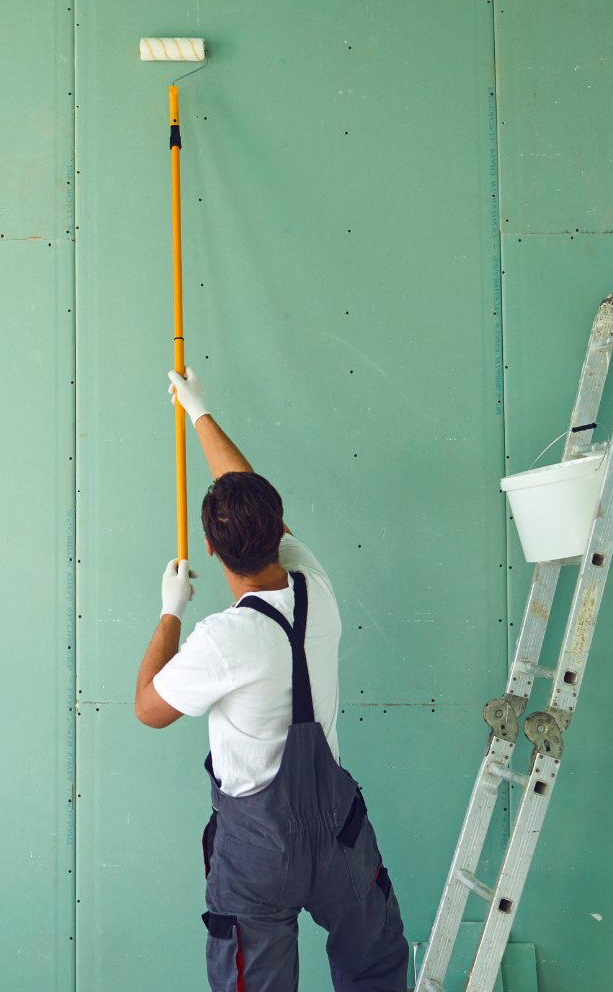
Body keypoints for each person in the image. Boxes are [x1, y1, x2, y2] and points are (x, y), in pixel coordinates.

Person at [135, 366, 409, 992]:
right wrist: (199, 411)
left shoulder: (222, 640)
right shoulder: (318, 586)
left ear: (209, 548)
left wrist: (170, 610)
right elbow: (250, 494)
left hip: (259, 856)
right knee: (377, 970)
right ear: (281, 528)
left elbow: (149, 707)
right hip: (340, 841)